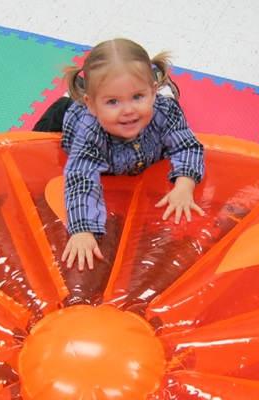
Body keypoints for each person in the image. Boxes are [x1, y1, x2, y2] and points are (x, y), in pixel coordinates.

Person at [33, 38, 205, 272]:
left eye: (137, 97)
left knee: (170, 109)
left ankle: (161, 87)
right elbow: (81, 178)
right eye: (113, 101)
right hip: (68, 114)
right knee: (37, 140)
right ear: (92, 105)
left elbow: (187, 145)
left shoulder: (164, 111)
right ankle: (73, 94)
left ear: (152, 92)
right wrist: (82, 230)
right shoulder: (90, 130)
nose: (128, 110)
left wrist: (184, 186)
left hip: (150, 116)